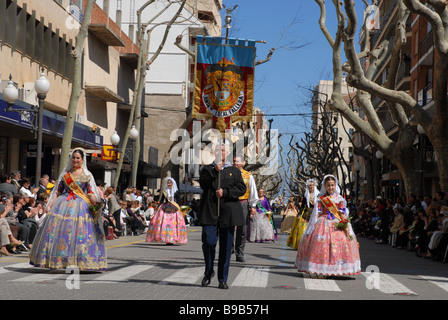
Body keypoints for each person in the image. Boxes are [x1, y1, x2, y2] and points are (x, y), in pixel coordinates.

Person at [29, 147, 107, 271]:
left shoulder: (87, 175)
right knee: (62, 233)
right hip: (63, 204)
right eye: (74, 158)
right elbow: (58, 192)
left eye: (78, 158)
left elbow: (90, 192)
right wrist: (49, 205)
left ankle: (80, 261)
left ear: (82, 160)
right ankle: (60, 260)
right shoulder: (66, 175)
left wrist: (95, 201)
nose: (75, 160)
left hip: (81, 206)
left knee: (79, 233)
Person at [198, 143, 246, 289]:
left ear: (228, 153)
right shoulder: (207, 168)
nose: (221, 152)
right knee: (209, 241)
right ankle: (208, 271)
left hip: (228, 214)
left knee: (225, 248)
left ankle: (222, 279)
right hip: (210, 213)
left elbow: (241, 189)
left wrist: (225, 192)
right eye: (218, 150)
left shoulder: (234, 170)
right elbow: (203, 184)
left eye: (223, 150)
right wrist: (214, 171)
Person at [295, 174, 361, 277]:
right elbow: (317, 212)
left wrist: (346, 225)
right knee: (321, 243)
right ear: (324, 186)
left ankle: (336, 268)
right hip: (323, 223)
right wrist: (313, 226)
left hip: (336, 223)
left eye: (332, 185)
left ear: (335, 186)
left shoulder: (339, 199)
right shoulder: (321, 199)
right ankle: (322, 267)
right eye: (328, 185)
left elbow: (342, 213)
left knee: (340, 244)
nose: (330, 187)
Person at [146, 177, 187, 245]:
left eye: (170, 183)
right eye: (168, 183)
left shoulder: (176, 191)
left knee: (174, 224)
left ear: (173, 183)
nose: (169, 184)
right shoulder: (165, 191)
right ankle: (165, 238)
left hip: (174, 208)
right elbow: (162, 200)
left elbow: (179, 201)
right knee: (164, 223)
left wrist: (181, 209)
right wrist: (157, 208)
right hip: (166, 208)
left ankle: (174, 238)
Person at [232, 155, 258, 262]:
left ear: (243, 163)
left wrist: (253, 206)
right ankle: (230, 249)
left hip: (243, 203)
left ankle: (239, 253)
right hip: (231, 203)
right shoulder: (228, 173)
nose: (235, 163)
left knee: (242, 230)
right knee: (228, 228)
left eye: (237, 161)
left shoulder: (248, 175)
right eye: (234, 161)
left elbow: (253, 190)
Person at [287, 178, 317, 249]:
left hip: (315, 213)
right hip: (306, 213)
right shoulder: (306, 195)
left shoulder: (318, 195)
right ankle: (302, 244)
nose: (311, 187)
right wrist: (299, 214)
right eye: (310, 185)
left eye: (313, 185)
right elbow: (303, 205)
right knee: (303, 229)